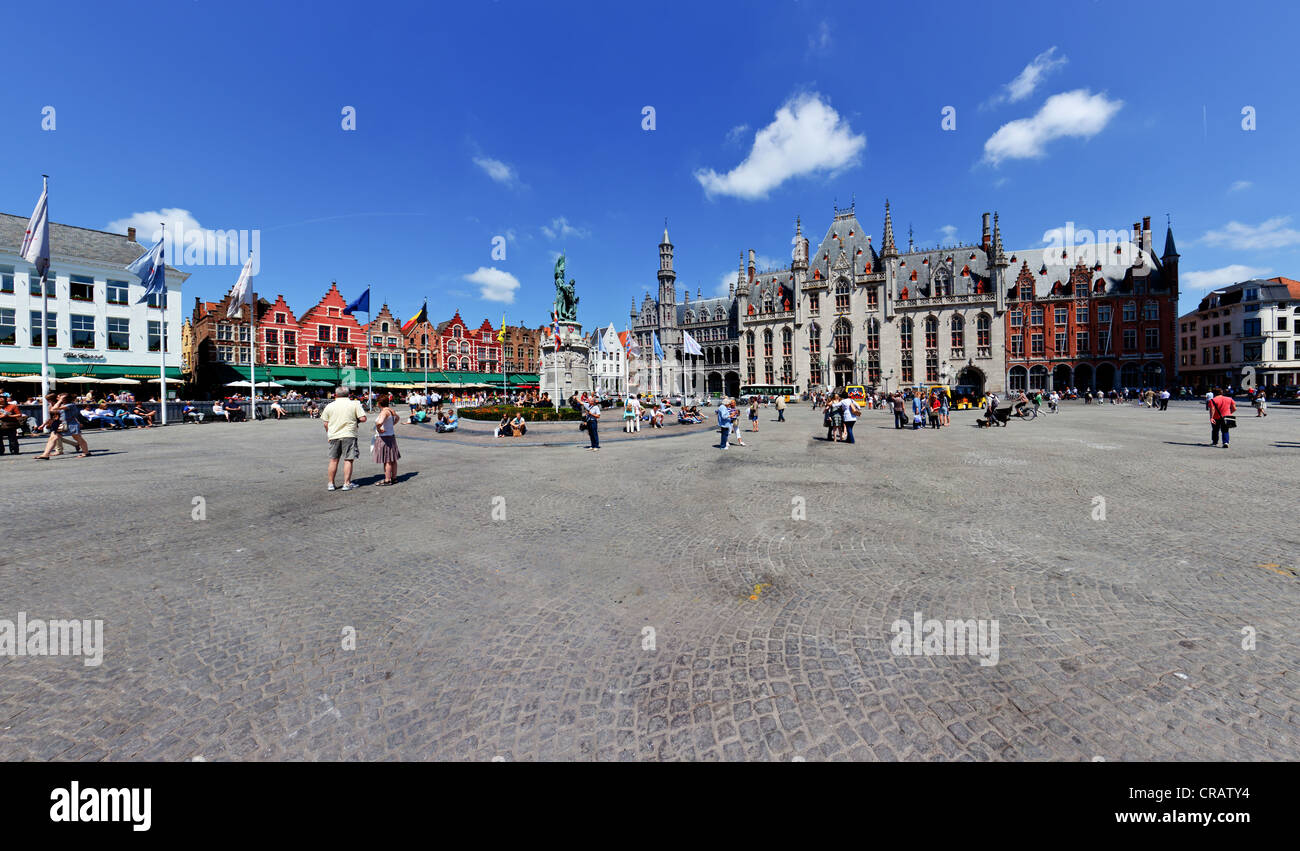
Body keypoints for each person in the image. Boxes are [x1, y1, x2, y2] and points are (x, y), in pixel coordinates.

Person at [322, 386, 367, 490]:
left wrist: (329, 433)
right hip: (349, 434)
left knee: (333, 460)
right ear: (348, 394)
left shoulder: (329, 406)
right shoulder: (354, 404)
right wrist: (356, 421)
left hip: (334, 435)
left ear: (336, 395)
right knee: (348, 459)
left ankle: (331, 484)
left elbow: (325, 423)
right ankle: (346, 483)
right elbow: (363, 418)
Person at [35, 393, 90, 459]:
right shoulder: (63, 405)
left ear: (64, 399)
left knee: (78, 438)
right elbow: (53, 412)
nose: (57, 398)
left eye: (59, 397)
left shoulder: (70, 405)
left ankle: (86, 452)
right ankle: (45, 454)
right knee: (52, 438)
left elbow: (54, 408)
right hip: (62, 424)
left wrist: (60, 400)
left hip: (71, 424)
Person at [371, 393, 400, 485]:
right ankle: (394, 478)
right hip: (391, 436)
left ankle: (387, 479)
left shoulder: (384, 412)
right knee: (393, 459)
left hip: (384, 438)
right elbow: (398, 418)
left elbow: (379, 422)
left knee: (387, 460)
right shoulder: (391, 410)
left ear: (379, 403)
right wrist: (391, 425)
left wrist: (379, 428)